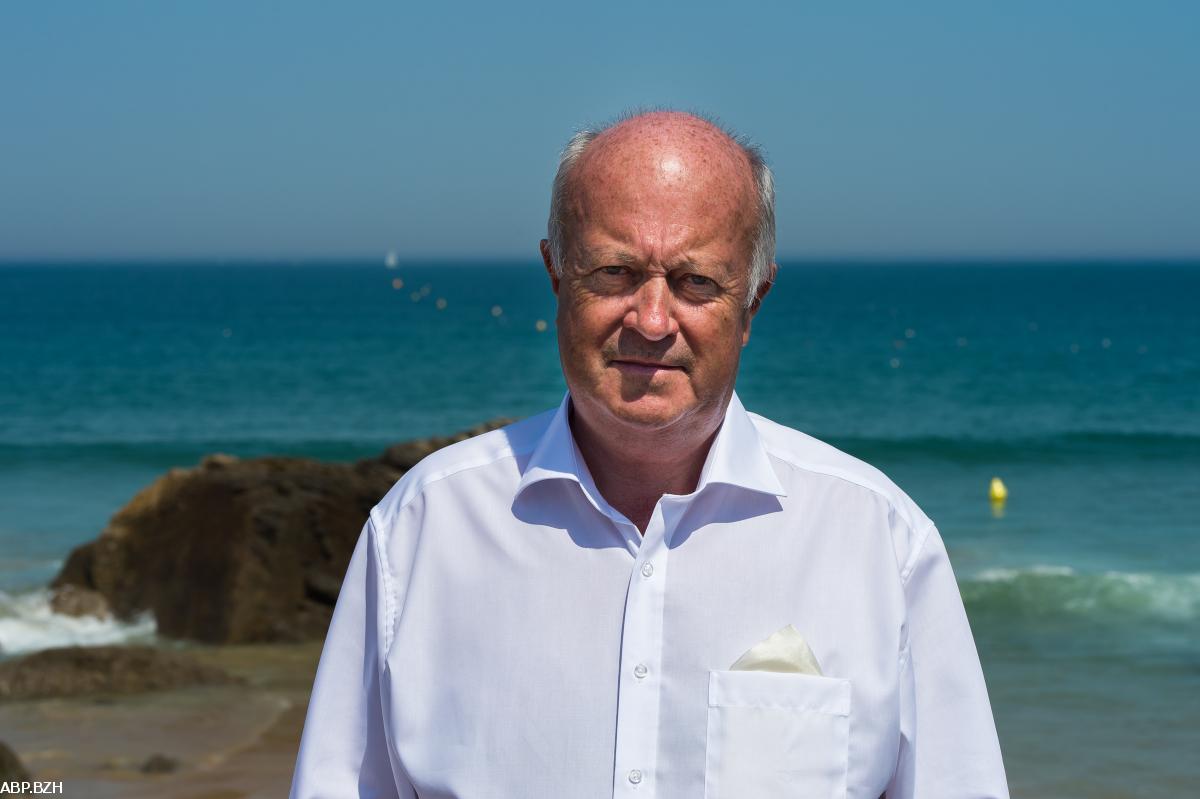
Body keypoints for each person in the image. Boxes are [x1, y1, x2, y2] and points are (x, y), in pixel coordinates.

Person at [289, 110, 1009, 798]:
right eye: (615, 272)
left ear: (753, 301)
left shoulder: (879, 542)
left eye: (696, 282)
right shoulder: (421, 530)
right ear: (556, 275)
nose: (654, 320)